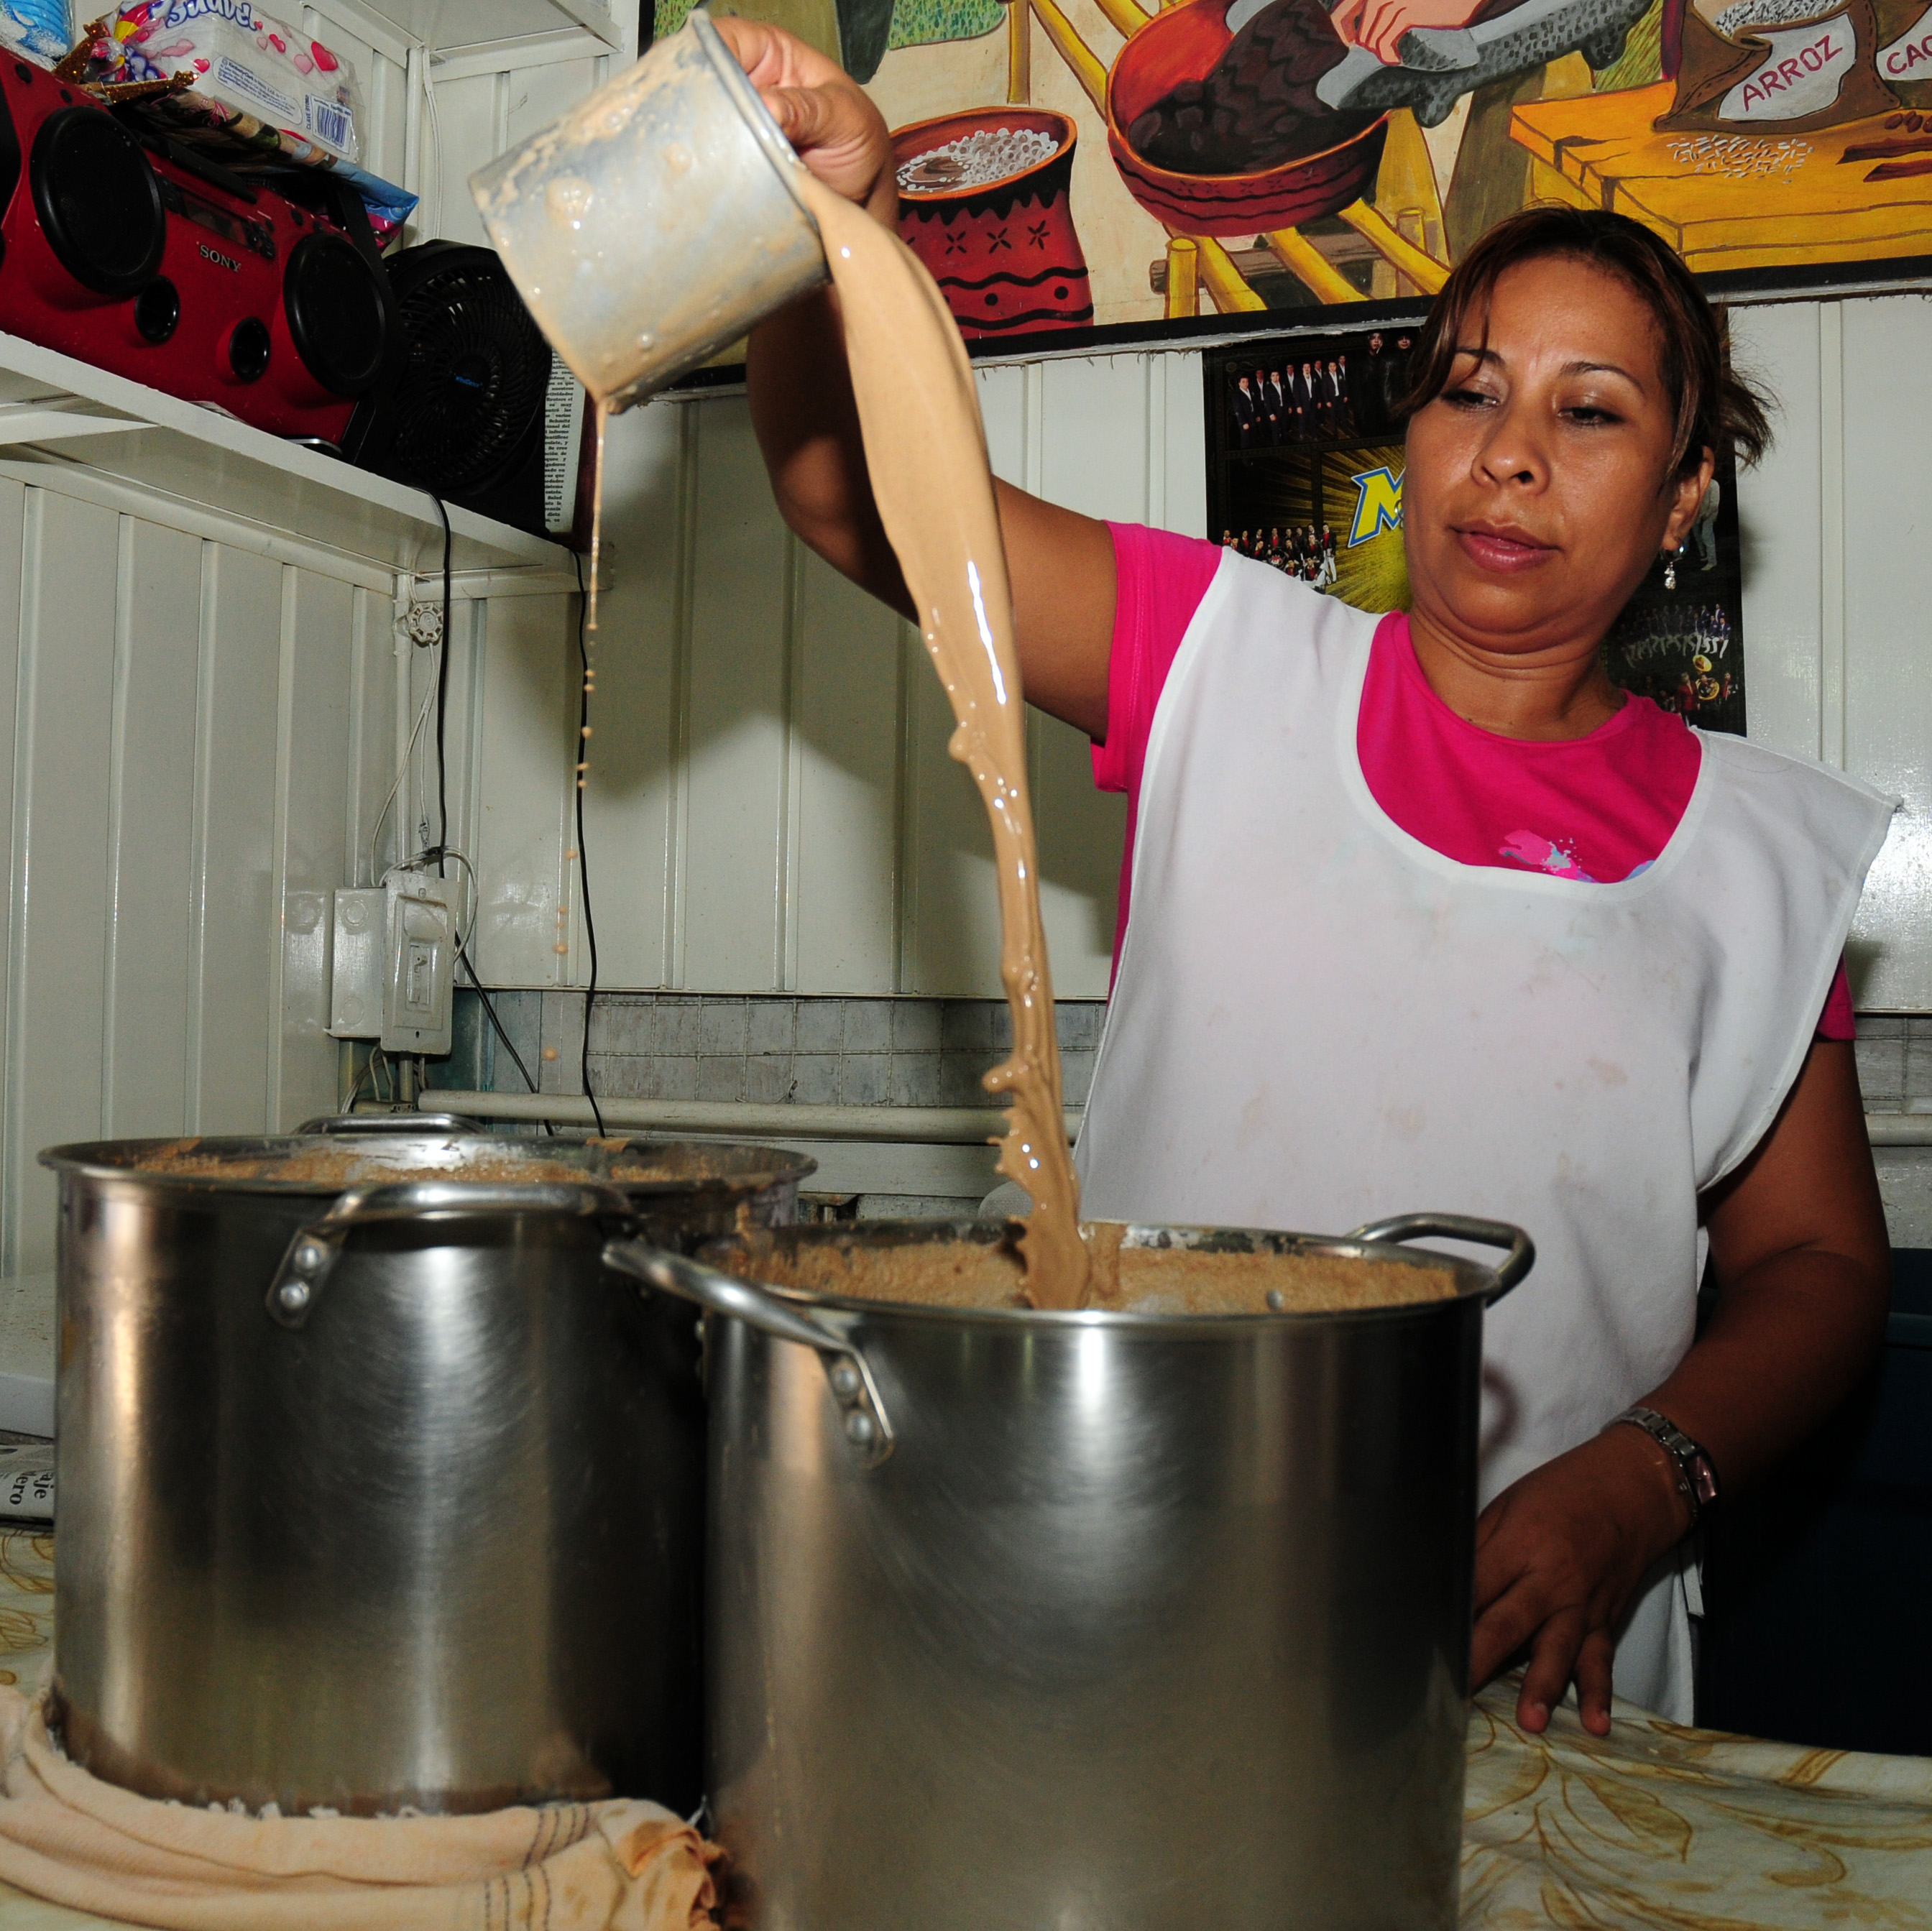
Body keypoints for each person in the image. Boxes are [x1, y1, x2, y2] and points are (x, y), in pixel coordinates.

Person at [722, 16, 1894, 1739]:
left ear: (1683, 496)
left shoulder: (1762, 856)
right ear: (1408, 433)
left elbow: (1818, 1266)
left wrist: (1641, 1482)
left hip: (1532, 1653)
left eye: (1593, 412)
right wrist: (832, 218)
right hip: (1125, 1588)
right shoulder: (1213, 656)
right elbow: (854, 498)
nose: (1510, 455)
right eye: (1471, 392)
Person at [1231, 374, 1259, 449]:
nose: (1246, 384)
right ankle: (1246, 461)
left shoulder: (1251, 392)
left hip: (1252, 419)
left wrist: (1257, 416)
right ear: (1239, 383)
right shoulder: (1237, 396)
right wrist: (1243, 423)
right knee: (1246, 442)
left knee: (1254, 440)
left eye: (1247, 382)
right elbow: (1238, 411)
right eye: (1243, 382)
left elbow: (1254, 405)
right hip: (1245, 422)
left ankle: (1253, 459)